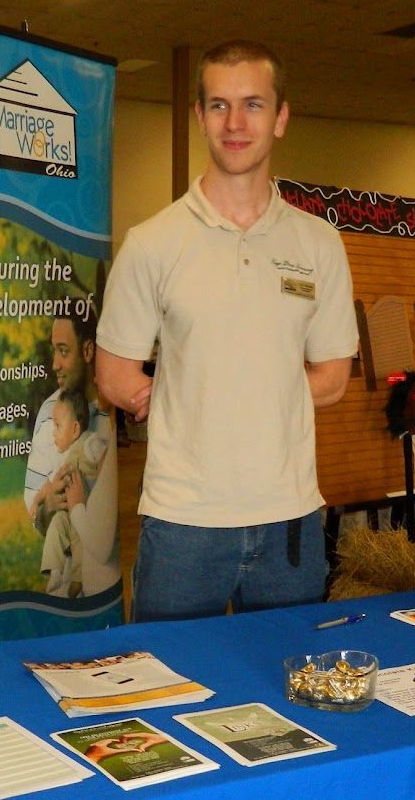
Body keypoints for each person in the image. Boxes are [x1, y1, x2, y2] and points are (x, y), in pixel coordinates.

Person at [96, 39, 357, 622]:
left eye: (253, 105)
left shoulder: (318, 244)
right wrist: (186, 397)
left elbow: (334, 378)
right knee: (171, 687)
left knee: (294, 681)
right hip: (183, 521)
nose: (235, 124)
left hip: (289, 517)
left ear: (281, 117)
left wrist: (228, 394)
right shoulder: (152, 242)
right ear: (199, 117)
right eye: (218, 105)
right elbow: (115, 377)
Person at [24, 301, 119, 598]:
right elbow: (34, 512)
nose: (55, 363)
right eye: (54, 350)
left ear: (88, 351)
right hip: (60, 598)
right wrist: (48, 505)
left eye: (63, 351)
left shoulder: (111, 411)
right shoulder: (50, 412)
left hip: (104, 589)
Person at [38, 391, 107, 597]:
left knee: (80, 544)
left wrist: (98, 476)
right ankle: (55, 570)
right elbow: (51, 484)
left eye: (57, 426)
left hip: (85, 509)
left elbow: (105, 455)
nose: (53, 432)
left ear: (76, 429)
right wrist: (40, 499)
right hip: (69, 511)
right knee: (56, 526)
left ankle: (78, 580)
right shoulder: (64, 458)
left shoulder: (88, 443)